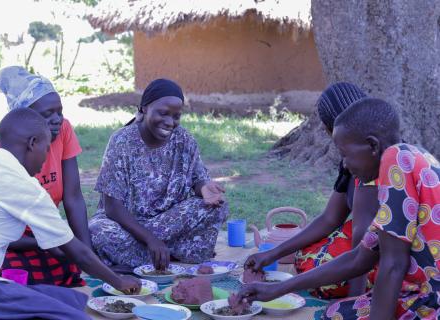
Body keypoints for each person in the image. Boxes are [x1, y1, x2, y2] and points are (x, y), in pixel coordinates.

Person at [238, 98, 439, 320]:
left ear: (372, 145)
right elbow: (359, 258)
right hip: (422, 293)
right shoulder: (406, 165)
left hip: (432, 301)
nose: (343, 164)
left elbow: (394, 264)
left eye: (344, 154)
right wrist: (277, 289)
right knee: (335, 312)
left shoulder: (396, 158)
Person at [0, 108, 140, 319]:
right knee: (77, 316)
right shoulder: (25, 187)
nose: (46, 158)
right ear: (33, 143)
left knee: (72, 299)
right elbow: (77, 252)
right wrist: (119, 281)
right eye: (47, 147)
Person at [244, 82, 379, 298]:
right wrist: (272, 254)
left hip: (391, 254)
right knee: (305, 257)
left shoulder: (370, 170)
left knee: (319, 274)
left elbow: (361, 251)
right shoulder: (355, 159)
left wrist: (354, 304)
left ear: (330, 131)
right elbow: (330, 218)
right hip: (368, 241)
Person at [89, 78, 229, 271]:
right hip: (127, 225)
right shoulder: (122, 141)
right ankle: (170, 253)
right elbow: (112, 208)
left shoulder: (184, 139)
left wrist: (204, 187)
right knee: (99, 231)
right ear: (144, 108)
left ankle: (142, 258)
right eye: (163, 113)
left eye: (176, 116)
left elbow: (198, 178)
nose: (170, 122)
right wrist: (151, 240)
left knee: (217, 207)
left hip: (167, 222)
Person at [0, 66, 90, 286]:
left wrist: (86, 252)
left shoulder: (63, 130)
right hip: (14, 241)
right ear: (25, 121)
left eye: (59, 111)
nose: (57, 120)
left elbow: (73, 197)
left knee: (74, 263)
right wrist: (44, 243)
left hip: (47, 233)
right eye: (47, 114)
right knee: (9, 274)